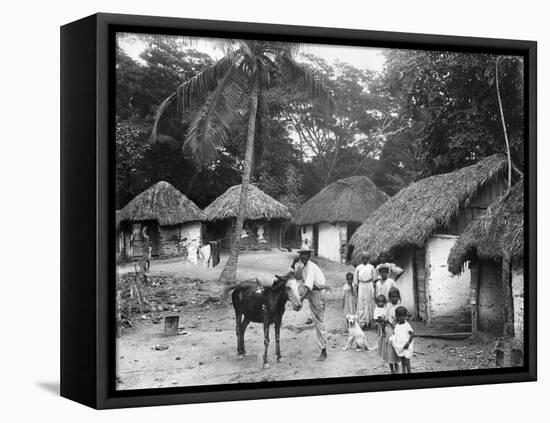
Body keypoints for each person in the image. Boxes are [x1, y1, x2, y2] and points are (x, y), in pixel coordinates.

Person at [290, 248, 328, 361]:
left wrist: (300, 301)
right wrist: (293, 262)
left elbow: (307, 287)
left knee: (320, 322)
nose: (303, 257)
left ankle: (324, 351)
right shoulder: (304, 267)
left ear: (309, 255)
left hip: (318, 294)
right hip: (312, 293)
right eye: (301, 255)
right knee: (317, 322)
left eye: (305, 255)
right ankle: (323, 348)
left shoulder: (311, 267)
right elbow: (294, 276)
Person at [380, 287, 401, 373]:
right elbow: (384, 317)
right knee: (388, 349)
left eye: (395, 296)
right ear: (389, 297)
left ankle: (396, 365)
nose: (394, 298)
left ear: (398, 297)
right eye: (392, 297)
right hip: (388, 329)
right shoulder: (388, 306)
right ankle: (391, 368)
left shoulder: (399, 307)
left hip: (395, 330)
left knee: (394, 348)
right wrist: (383, 328)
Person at [389, 306, 414, 373]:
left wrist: (408, 343)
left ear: (406, 316)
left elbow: (412, 334)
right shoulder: (397, 325)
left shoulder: (407, 325)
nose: (401, 318)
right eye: (399, 316)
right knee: (402, 361)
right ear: (396, 316)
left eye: (403, 316)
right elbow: (396, 334)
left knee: (407, 361)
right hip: (401, 346)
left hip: (407, 346)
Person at [354, 254, 375, 329]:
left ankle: (368, 322)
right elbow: (355, 280)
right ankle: (362, 322)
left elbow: (374, 279)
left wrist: (373, 288)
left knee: (368, 303)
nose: (365, 260)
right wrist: (356, 288)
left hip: (369, 285)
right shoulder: (358, 267)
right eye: (363, 258)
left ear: (368, 259)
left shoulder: (371, 267)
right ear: (361, 259)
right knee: (361, 303)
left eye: (366, 258)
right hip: (361, 285)